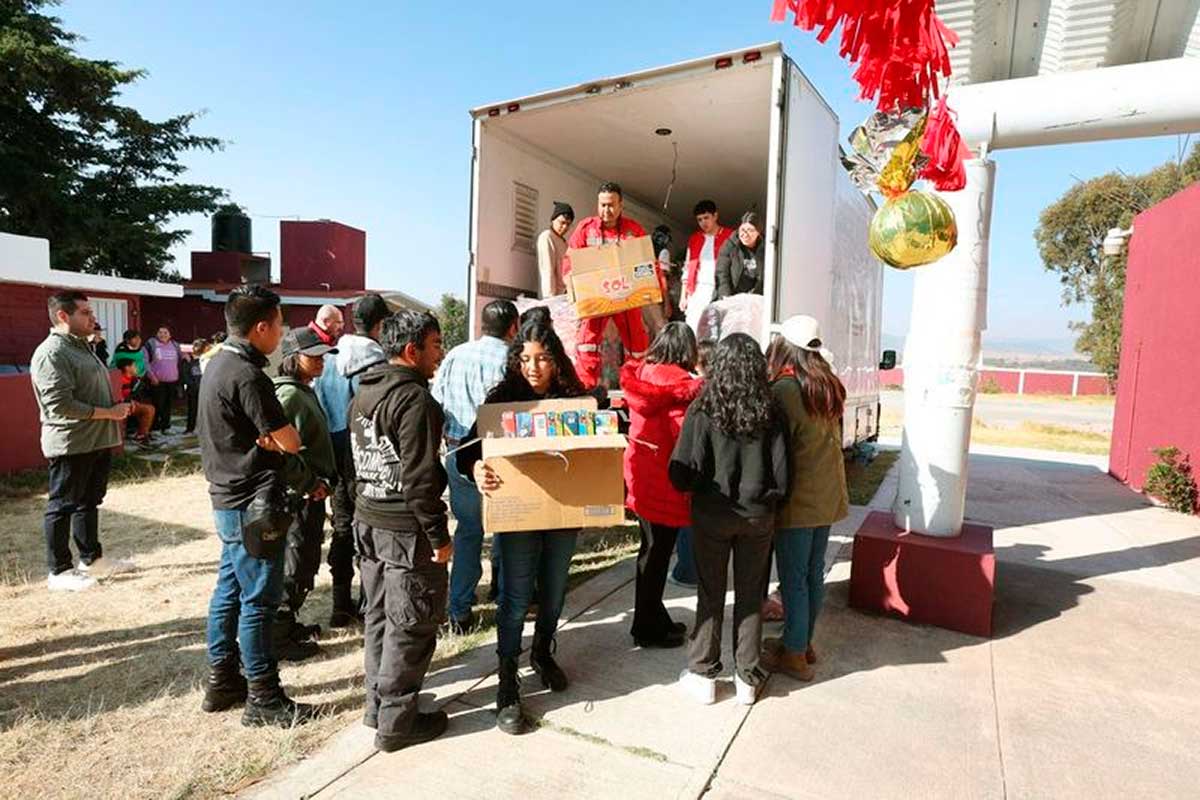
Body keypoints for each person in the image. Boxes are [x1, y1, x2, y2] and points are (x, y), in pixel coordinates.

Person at [458, 321, 588, 735]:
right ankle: (507, 675)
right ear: (515, 361)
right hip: (518, 517)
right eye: (526, 359)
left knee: (552, 591)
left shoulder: (574, 401)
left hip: (564, 514)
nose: (534, 368)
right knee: (514, 598)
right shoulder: (501, 402)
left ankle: (542, 652)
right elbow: (465, 452)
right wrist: (477, 467)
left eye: (544, 359)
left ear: (556, 361)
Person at [198, 284, 317, 728]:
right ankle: (263, 696)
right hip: (252, 502)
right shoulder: (248, 374)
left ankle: (221, 680)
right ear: (262, 327)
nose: (282, 333)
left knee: (229, 591)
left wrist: (269, 438)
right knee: (259, 601)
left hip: (228, 497)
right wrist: (278, 441)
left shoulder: (216, 363)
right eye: (281, 323)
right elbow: (291, 440)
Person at [350, 310, 452, 753]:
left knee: (379, 616)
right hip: (403, 531)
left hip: (369, 521)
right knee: (411, 623)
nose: (440, 354)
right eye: (435, 345)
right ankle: (396, 721)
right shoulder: (414, 400)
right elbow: (420, 479)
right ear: (411, 351)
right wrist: (439, 536)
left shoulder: (363, 394)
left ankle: (379, 704)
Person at [669, 333, 789, 707]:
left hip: (712, 515)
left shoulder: (703, 408)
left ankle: (704, 673)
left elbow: (681, 471)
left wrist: (699, 486)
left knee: (711, 592)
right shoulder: (772, 411)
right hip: (758, 517)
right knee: (751, 596)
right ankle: (747, 678)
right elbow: (784, 475)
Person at [761, 316, 849, 682]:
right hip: (828, 495)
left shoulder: (785, 389)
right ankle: (803, 641)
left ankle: (794, 652)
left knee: (794, 579)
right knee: (813, 574)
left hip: (799, 497)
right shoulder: (828, 384)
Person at [31, 291, 134, 592]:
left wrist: (114, 409)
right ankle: (59, 570)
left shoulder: (83, 347)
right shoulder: (52, 352)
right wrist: (108, 412)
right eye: (85, 312)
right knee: (62, 505)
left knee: (89, 501)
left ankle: (91, 559)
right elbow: (60, 404)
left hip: (97, 440)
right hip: (71, 442)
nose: (93, 317)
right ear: (63, 316)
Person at [431, 299, 518, 633]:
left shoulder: (454, 354)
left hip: (457, 454)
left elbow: (438, 402)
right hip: (498, 457)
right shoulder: (510, 360)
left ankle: (459, 610)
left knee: (468, 532)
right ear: (513, 327)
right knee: (508, 529)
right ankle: (503, 591)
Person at [620, 322, 703, 649]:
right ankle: (647, 627)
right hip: (667, 483)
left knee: (649, 553)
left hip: (641, 477)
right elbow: (684, 439)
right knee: (657, 557)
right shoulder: (681, 387)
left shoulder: (640, 377)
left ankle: (652, 617)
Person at [273, 327, 339, 661]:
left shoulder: (303, 390)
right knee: (294, 561)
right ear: (291, 359)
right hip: (297, 495)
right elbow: (280, 452)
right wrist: (308, 483)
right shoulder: (289, 395)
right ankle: (278, 631)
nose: (320, 361)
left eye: (322, 355)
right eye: (312, 355)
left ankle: (288, 620)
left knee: (306, 558)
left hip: (311, 491)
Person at [563, 182, 651, 388]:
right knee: (587, 343)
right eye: (602, 205)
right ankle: (586, 388)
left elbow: (647, 264)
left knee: (637, 344)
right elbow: (569, 262)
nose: (606, 210)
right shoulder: (585, 229)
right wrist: (571, 286)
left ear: (621, 205)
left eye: (611, 205)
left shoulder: (634, 230)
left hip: (627, 297)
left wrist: (647, 290)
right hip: (595, 298)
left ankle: (635, 388)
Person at [309, 304, 361, 628]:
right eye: (338, 323)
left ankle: (341, 604)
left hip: (326, 445)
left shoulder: (312, 355)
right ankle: (348, 601)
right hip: (346, 447)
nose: (341, 328)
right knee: (353, 525)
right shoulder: (343, 356)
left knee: (343, 526)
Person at [669, 337, 715, 590]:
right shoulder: (722, 390)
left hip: (693, 469)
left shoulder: (694, 391)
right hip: (714, 476)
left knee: (688, 523)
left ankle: (687, 571)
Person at [681, 200, 734, 333]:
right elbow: (688, 268)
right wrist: (683, 296)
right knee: (693, 329)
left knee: (716, 330)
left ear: (715, 216)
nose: (703, 223)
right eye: (699, 220)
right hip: (697, 291)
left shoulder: (730, 236)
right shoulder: (694, 238)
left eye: (706, 218)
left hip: (720, 290)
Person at [716, 212, 766, 299]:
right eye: (742, 230)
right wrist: (726, 297)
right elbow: (722, 272)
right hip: (731, 295)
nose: (745, 234)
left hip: (755, 297)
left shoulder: (766, 247)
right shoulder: (730, 244)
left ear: (758, 232)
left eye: (750, 230)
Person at [144, 325, 182, 432]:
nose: (163, 335)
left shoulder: (175, 345)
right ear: (156, 334)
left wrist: (186, 356)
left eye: (165, 332)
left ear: (170, 335)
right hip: (157, 381)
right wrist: (151, 376)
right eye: (160, 332)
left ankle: (166, 426)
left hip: (172, 380)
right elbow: (145, 362)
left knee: (168, 405)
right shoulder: (151, 344)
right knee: (157, 405)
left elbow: (180, 356)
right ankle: (155, 427)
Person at [536, 202, 574, 298]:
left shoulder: (564, 243)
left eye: (568, 224)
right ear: (553, 220)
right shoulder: (547, 237)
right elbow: (547, 270)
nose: (565, 227)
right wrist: (549, 298)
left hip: (564, 295)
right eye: (562, 223)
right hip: (553, 297)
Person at [114, 357, 156, 443]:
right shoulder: (118, 379)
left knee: (149, 409)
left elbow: (136, 394)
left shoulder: (135, 380)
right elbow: (116, 396)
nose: (136, 368)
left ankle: (142, 435)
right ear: (127, 368)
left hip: (131, 404)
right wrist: (127, 402)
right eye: (134, 366)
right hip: (119, 405)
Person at [182, 339, 207, 434]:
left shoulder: (205, 360)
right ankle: (190, 428)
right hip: (193, 390)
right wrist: (192, 385)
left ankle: (202, 428)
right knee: (192, 410)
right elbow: (185, 376)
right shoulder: (188, 362)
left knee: (204, 410)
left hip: (204, 389)